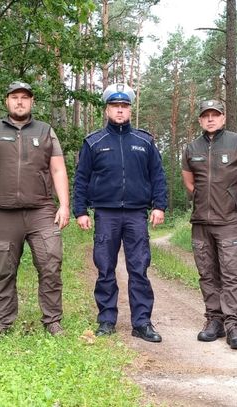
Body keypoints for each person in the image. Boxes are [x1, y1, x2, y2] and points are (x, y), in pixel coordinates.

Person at [0, 81, 70, 340]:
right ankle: (3, 323)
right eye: (15, 97)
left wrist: (65, 205)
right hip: (3, 211)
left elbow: (58, 169)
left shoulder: (45, 131)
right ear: (7, 101)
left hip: (42, 211)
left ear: (32, 102)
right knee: (4, 270)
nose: (20, 102)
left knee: (50, 265)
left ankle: (53, 321)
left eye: (25, 97)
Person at [73, 83, 168, 343]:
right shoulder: (94, 142)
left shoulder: (144, 141)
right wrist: (80, 211)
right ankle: (106, 319)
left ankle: (142, 323)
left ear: (130, 109)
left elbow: (157, 176)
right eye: (115, 106)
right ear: (107, 109)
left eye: (124, 106)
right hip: (106, 214)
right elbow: (81, 178)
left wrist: (159, 205)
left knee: (139, 268)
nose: (119, 110)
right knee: (105, 268)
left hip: (136, 214)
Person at [181, 100, 237, 350]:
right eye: (206, 116)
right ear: (200, 120)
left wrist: (233, 202)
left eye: (215, 115)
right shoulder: (192, 148)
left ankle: (234, 324)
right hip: (201, 222)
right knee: (207, 273)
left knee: (231, 273)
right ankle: (214, 320)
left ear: (224, 118)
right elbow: (191, 184)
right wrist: (206, 202)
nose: (211, 119)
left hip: (231, 223)